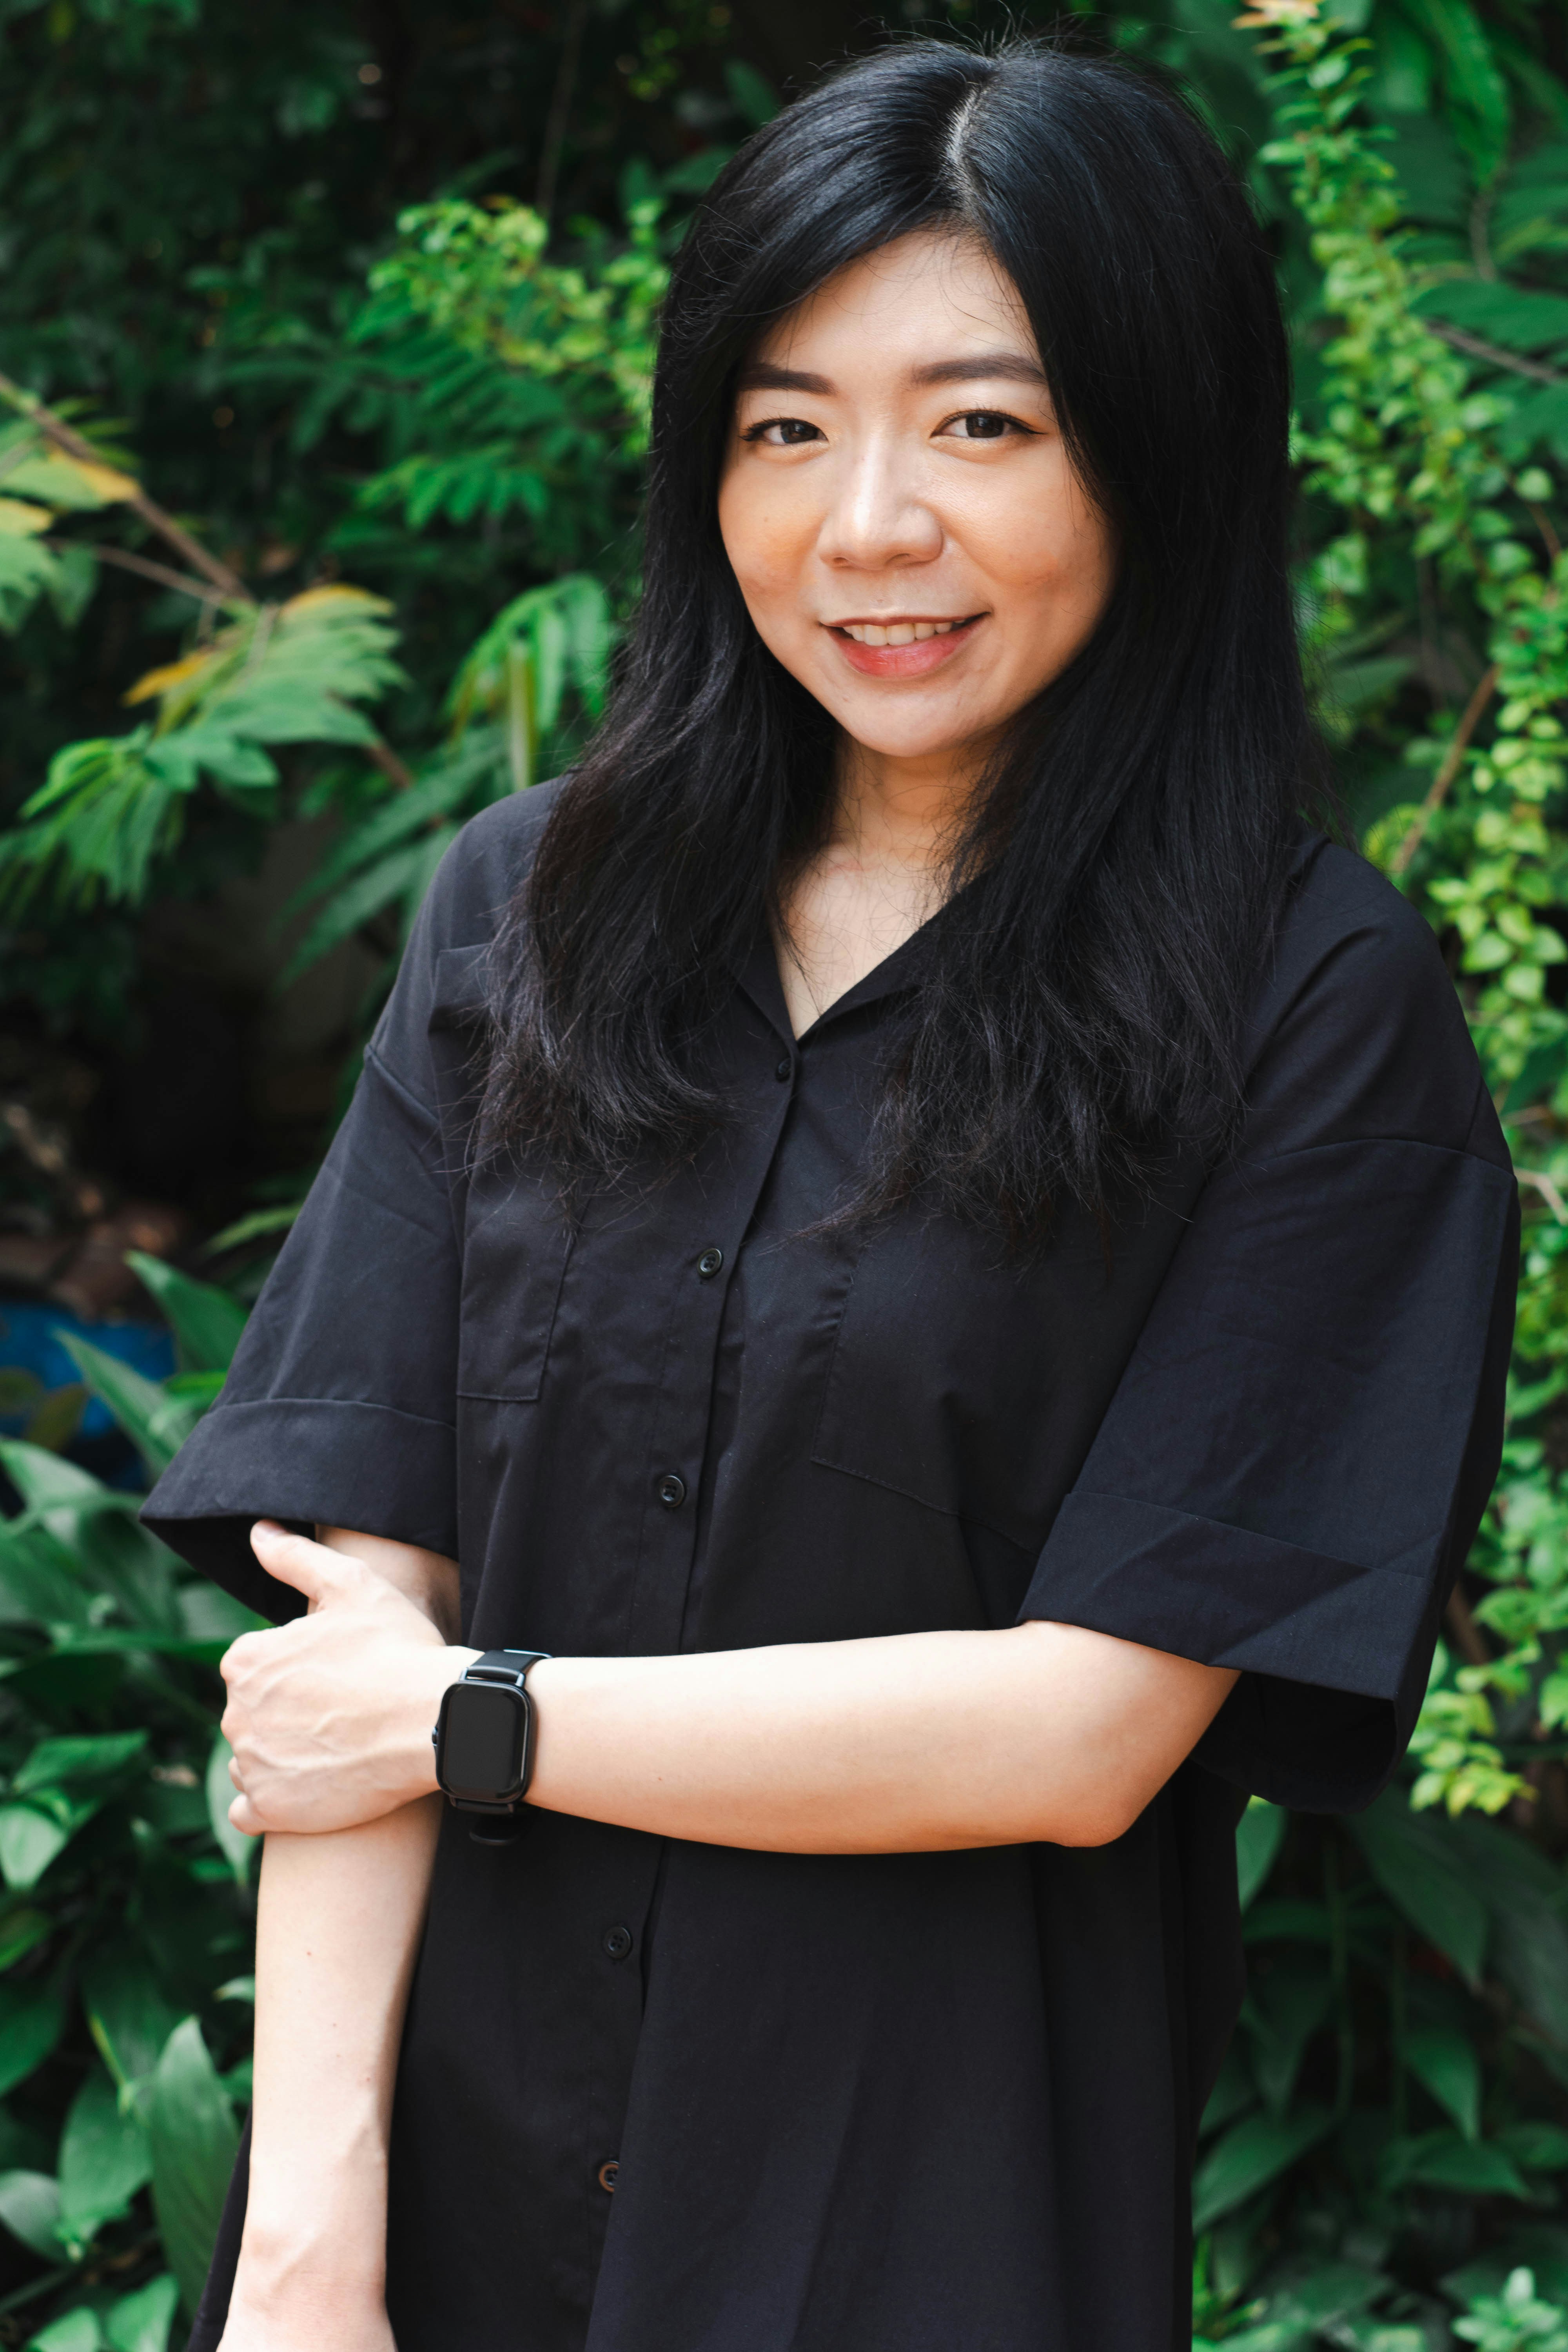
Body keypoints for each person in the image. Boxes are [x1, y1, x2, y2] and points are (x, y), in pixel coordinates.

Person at [142, 32, 1518, 2352]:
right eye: (788, 425)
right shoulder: (526, 907)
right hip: (417, 2237)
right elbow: (344, 1596)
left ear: (1161, 456)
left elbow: (1078, 1735)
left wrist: (473, 1715)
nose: (868, 523)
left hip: (917, 2232)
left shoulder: (1318, 1008)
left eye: (984, 422)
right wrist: (303, 2252)